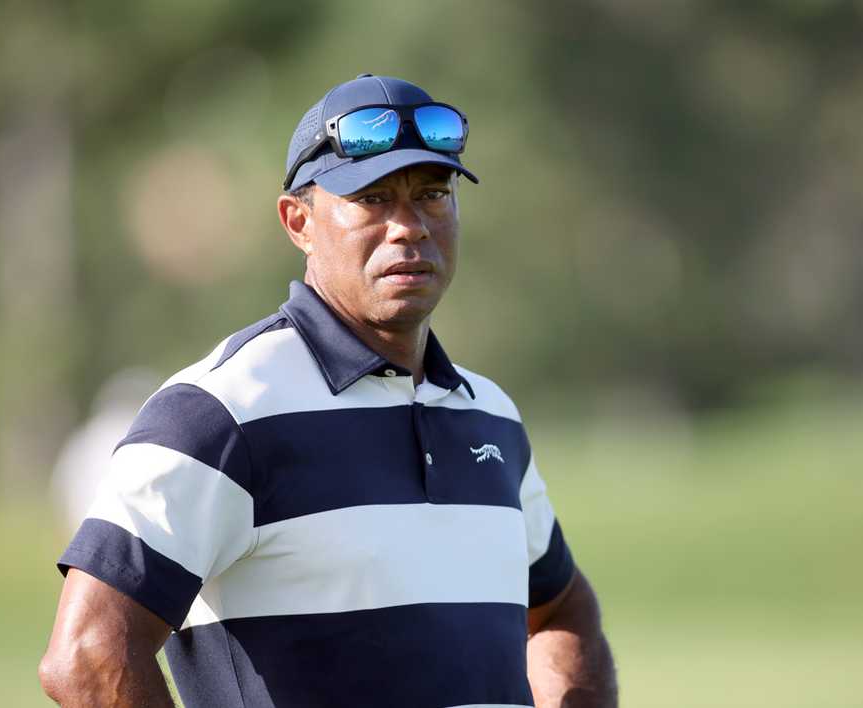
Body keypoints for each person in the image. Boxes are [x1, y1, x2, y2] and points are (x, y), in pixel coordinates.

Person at [39, 73, 617, 708]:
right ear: (299, 222)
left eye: (431, 194)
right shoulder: (220, 411)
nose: (409, 226)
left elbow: (561, 609)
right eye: (372, 199)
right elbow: (89, 655)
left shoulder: (490, 416)